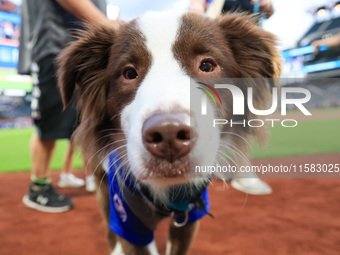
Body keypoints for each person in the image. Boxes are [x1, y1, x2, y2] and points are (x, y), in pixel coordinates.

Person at [19, 0, 112, 213]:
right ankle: (38, 187)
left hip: (81, 51)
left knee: (82, 121)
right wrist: (105, 23)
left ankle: (90, 175)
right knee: (49, 124)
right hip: (54, 48)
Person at [190, 0, 274, 195]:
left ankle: (221, 163)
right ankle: (241, 170)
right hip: (220, 54)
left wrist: (267, 7)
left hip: (247, 54)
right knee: (233, 110)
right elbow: (196, 7)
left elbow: (268, 10)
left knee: (242, 110)